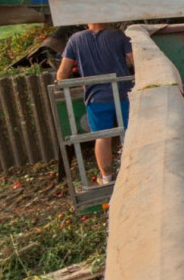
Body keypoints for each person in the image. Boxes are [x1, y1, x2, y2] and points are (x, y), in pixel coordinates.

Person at [56, 23, 133, 184]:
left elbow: (62, 75)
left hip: (95, 97)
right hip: (123, 95)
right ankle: (133, 173)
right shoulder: (118, 35)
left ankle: (107, 179)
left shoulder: (75, 39)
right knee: (130, 134)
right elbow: (135, 62)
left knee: (102, 137)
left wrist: (80, 85)